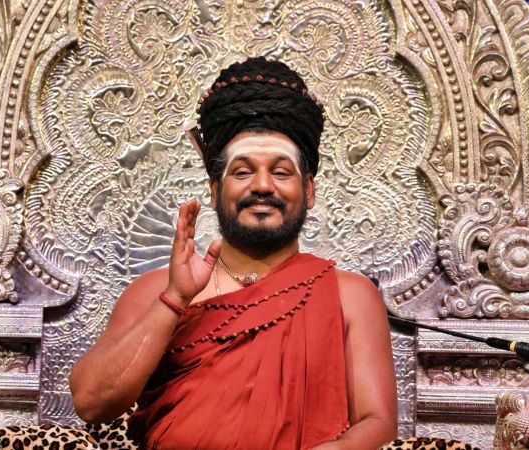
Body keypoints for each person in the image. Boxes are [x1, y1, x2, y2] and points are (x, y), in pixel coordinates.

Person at [69, 57, 398, 450]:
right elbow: (91, 403)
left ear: (308, 190)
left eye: (281, 172)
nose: (262, 186)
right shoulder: (156, 291)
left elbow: (376, 421)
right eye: (242, 172)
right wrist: (174, 300)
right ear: (214, 191)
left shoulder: (350, 296)